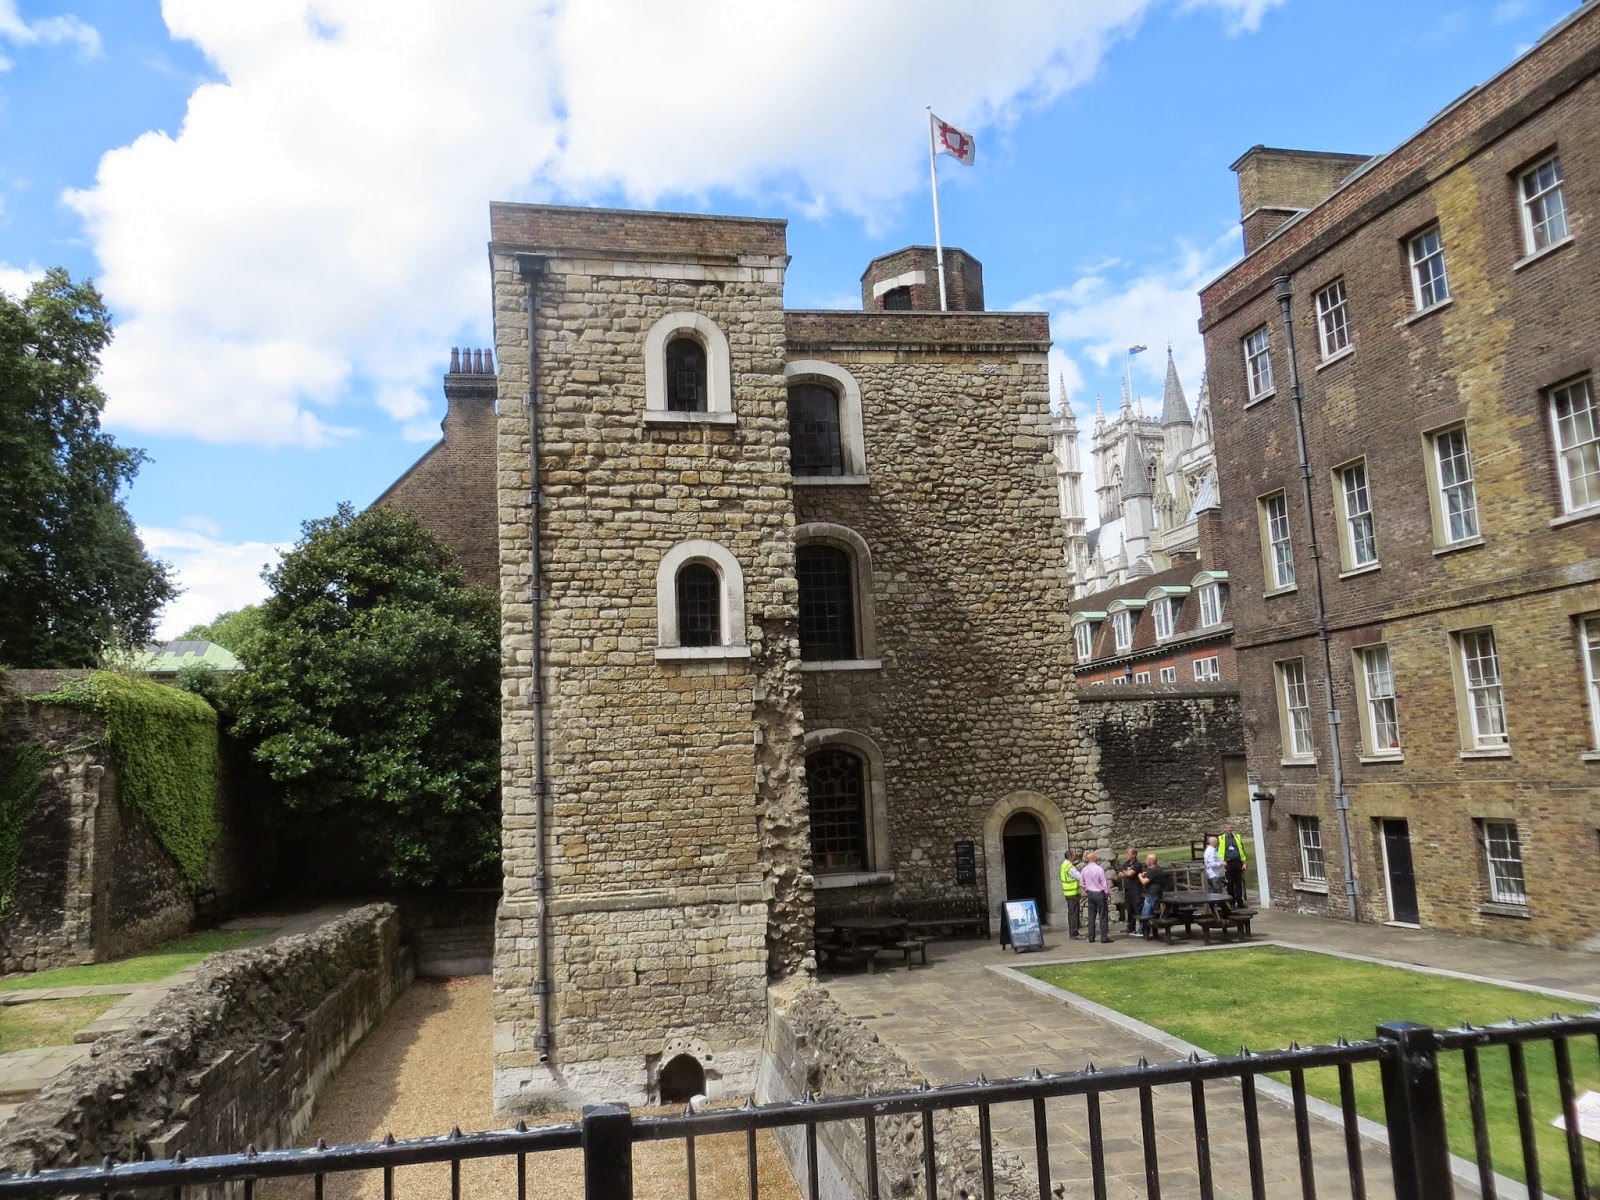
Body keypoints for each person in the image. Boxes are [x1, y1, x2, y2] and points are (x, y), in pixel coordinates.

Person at [1080, 851, 1112, 943]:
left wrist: (1086, 890)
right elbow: (1104, 882)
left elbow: (1081, 883)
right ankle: (1104, 937)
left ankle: (1091, 937)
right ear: (1094, 859)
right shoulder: (1099, 869)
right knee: (1103, 916)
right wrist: (1107, 893)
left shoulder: (1084, 869)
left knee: (1091, 916)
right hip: (1099, 893)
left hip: (1090, 893)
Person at [1137, 852, 1168, 939]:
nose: (1145, 861)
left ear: (1150, 861)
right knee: (1146, 912)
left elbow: (1144, 882)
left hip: (1152, 894)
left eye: (1147, 860)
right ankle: (1143, 930)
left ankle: (1143, 931)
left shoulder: (1153, 870)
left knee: (1146, 913)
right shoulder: (1157, 869)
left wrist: (1139, 876)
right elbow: (1151, 877)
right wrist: (1145, 874)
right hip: (1154, 893)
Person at [1221, 822, 1248, 907]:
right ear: (1224, 829)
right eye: (1227, 828)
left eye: (1230, 828)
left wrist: (1244, 862)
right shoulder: (1221, 838)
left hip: (1237, 862)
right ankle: (1232, 902)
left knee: (1238, 883)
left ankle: (1240, 902)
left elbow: (1242, 850)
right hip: (1228, 863)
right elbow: (1218, 852)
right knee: (1230, 883)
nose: (1229, 829)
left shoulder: (1237, 837)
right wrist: (1221, 863)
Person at [1116, 847, 1142, 933]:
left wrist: (1124, 872)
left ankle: (1142, 927)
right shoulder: (1126, 863)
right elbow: (1120, 874)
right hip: (1127, 889)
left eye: (1128, 853)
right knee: (1129, 909)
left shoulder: (1137, 864)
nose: (1126, 855)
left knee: (1137, 908)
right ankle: (1130, 927)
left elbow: (1130, 874)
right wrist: (1125, 872)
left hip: (1135, 889)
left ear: (1134, 855)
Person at [1060, 850, 1082, 939]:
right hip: (1072, 893)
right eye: (1074, 855)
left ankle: (1073, 932)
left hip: (1068, 893)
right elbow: (1079, 876)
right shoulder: (1069, 866)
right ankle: (1074, 933)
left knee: (1071, 913)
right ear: (1070, 856)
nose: (1075, 857)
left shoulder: (1064, 865)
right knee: (1074, 914)